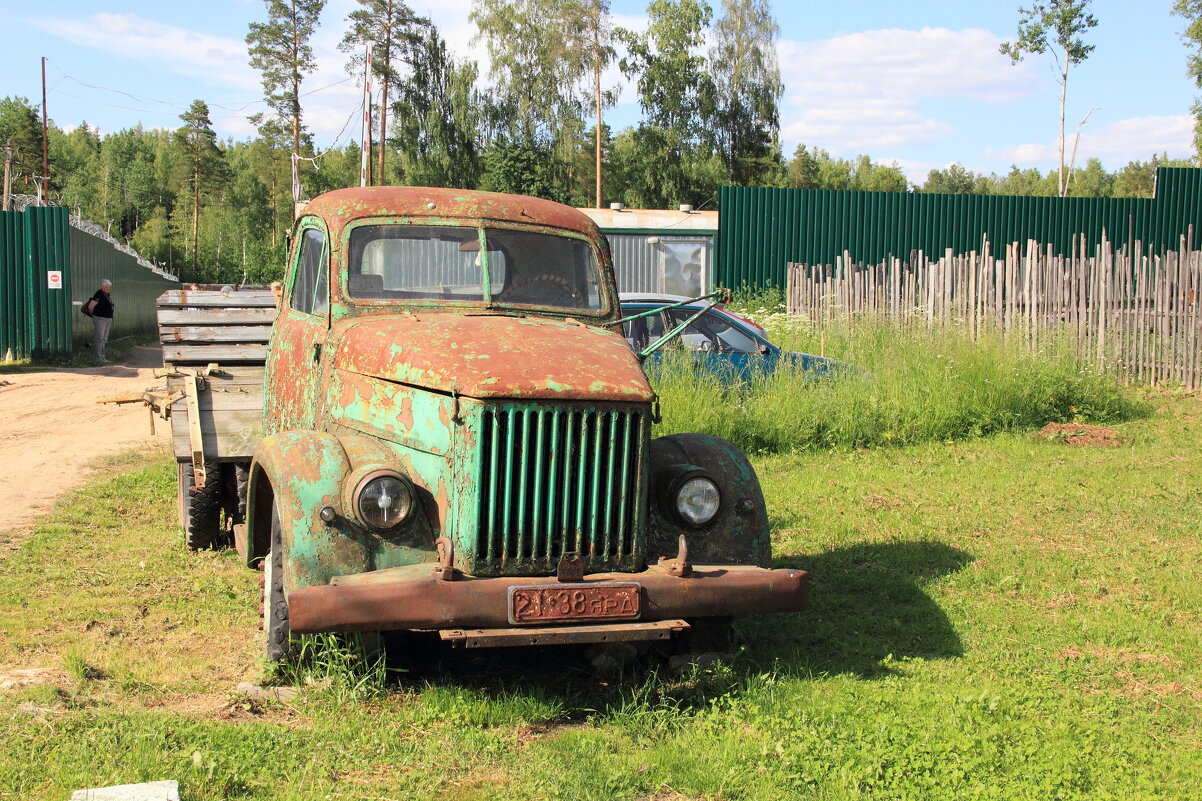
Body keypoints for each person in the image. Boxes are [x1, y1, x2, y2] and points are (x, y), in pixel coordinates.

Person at [90, 279, 115, 363]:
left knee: (104, 339)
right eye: (107, 287)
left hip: (107, 319)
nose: (108, 288)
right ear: (102, 286)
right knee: (99, 338)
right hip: (100, 319)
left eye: (109, 287)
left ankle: (102, 356)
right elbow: (91, 306)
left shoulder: (107, 295)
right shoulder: (99, 294)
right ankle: (98, 357)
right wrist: (95, 316)